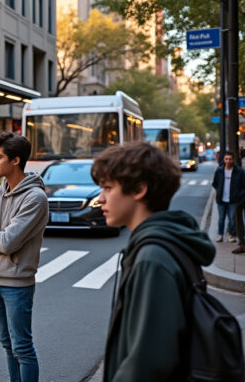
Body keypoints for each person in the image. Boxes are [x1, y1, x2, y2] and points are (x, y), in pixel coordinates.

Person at [90, 142, 216, 380]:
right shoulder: (166, 242)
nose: (100, 199)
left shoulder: (152, 259)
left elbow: (147, 362)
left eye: (107, 188)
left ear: (139, 189)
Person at [0, 132, 48, 382]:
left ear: (15, 160)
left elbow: (8, 242)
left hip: (17, 284)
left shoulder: (35, 198)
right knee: (7, 344)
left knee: (22, 347)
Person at [211, 152, 242, 243]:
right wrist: (218, 192)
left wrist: (239, 195)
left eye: (230, 159)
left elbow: (243, 185)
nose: (228, 161)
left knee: (232, 219)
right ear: (224, 160)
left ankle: (231, 234)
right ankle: (220, 234)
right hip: (221, 199)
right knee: (221, 219)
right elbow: (214, 183)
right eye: (226, 159)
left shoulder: (239, 171)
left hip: (233, 200)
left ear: (233, 160)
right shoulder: (219, 171)